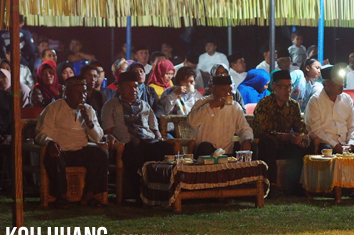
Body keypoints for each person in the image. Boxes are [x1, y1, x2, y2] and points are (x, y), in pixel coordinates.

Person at [35, 76, 108, 208]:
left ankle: (88, 196)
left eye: (85, 92)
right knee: (53, 155)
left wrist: (89, 122)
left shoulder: (89, 110)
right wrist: (50, 142)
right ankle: (62, 197)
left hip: (80, 151)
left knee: (101, 153)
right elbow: (41, 133)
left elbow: (97, 138)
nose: (83, 95)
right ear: (67, 92)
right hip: (61, 151)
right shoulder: (54, 108)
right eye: (78, 92)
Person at [101, 71, 174, 201]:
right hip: (126, 144)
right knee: (134, 150)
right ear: (119, 88)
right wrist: (113, 141)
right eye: (128, 86)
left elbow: (155, 129)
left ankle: (160, 192)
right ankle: (137, 193)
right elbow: (108, 131)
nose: (133, 90)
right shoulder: (111, 105)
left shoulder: (144, 105)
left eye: (135, 86)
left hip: (147, 141)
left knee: (166, 148)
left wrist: (160, 141)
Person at [253, 70, 312, 195]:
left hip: (286, 145)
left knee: (304, 147)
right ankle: (271, 185)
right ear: (274, 87)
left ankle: (297, 186)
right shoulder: (264, 104)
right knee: (265, 143)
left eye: (290, 86)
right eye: (284, 87)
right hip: (270, 144)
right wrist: (285, 137)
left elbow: (300, 127)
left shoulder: (293, 105)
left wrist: (302, 138)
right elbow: (261, 131)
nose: (288, 90)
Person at [305, 65, 354, 155]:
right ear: (327, 85)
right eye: (338, 82)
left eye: (342, 81)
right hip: (327, 144)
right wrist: (336, 145)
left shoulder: (347, 99)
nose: (341, 85)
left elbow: (353, 126)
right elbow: (315, 131)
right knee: (328, 151)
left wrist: (351, 144)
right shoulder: (315, 101)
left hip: (346, 144)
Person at [188, 75, 255, 157]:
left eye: (229, 90)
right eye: (223, 90)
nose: (227, 94)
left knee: (252, 146)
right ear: (213, 91)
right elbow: (191, 122)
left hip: (226, 153)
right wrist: (211, 106)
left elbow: (244, 128)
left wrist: (247, 139)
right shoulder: (202, 103)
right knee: (206, 146)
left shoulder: (235, 106)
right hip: (204, 153)